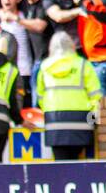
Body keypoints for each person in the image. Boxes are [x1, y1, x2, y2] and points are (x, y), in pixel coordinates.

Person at [34, 32, 102, 160]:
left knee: (60, 163)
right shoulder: (83, 65)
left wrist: (47, 112)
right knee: (78, 164)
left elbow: (40, 96)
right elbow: (96, 96)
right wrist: (93, 121)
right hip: (82, 119)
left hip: (54, 118)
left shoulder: (44, 67)